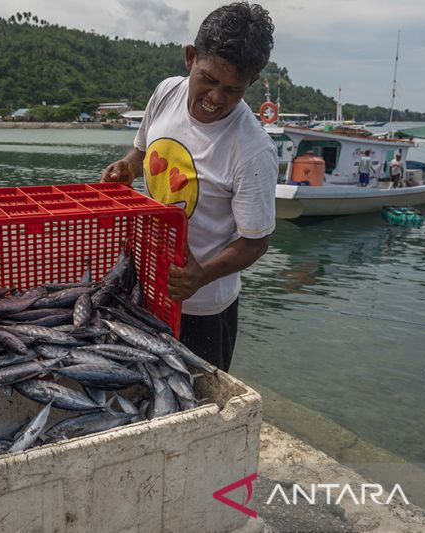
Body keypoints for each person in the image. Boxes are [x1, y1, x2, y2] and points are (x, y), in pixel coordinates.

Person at [101, 1, 276, 373]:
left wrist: (201, 275)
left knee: (196, 401)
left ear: (251, 84)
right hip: (145, 284)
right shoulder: (166, 93)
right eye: (209, 80)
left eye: (232, 90)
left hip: (204, 310)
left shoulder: (253, 149)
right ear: (190, 57)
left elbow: (256, 241)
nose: (215, 98)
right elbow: (142, 149)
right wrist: (126, 167)